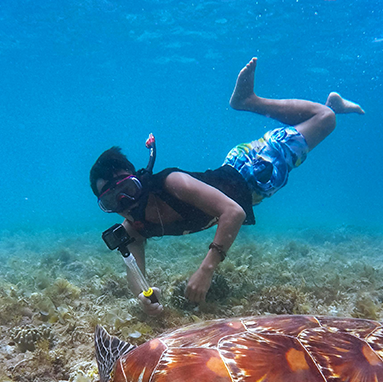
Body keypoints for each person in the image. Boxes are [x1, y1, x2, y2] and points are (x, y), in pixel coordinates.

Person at [90, 57, 364, 315]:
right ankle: (333, 104)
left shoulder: (170, 183)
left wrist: (206, 270)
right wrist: (144, 298)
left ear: (139, 179)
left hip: (254, 170)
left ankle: (249, 101)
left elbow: (233, 213)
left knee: (325, 120)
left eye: (128, 189)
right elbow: (135, 273)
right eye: (113, 201)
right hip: (242, 174)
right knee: (318, 122)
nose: (126, 203)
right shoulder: (134, 228)